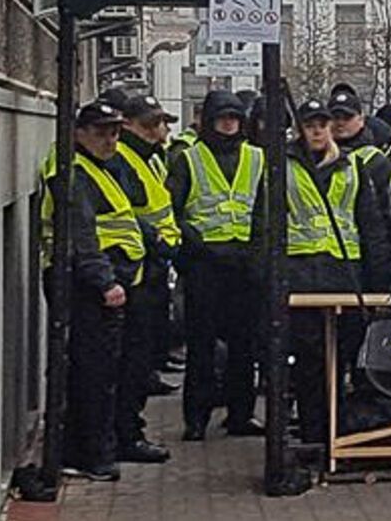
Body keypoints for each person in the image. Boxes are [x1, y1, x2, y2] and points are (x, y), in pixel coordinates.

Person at [39, 100, 144, 480]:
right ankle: (90, 455)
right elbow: (80, 234)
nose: (110, 140)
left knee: (96, 371)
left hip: (93, 281)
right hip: (84, 284)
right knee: (92, 373)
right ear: (78, 133)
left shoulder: (92, 167)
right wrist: (105, 281)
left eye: (115, 132)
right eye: (101, 133)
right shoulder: (72, 171)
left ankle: (91, 450)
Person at [284, 99, 391, 446]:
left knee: (348, 356)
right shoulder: (282, 167)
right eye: (310, 124)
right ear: (299, 128)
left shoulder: (352, 168)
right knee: (310, 361)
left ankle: (342, 431)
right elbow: (266, 227)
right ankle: (316, 434)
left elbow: (371, 227)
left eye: (322, 123)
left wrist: (379, 286)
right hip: (301, 276)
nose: (317, 130)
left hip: (346, 276)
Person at [165, 89, 265, 441]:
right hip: (205, 264)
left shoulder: (258, 158)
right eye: (222, 118)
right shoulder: (188, 159)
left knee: (244, 345)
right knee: (202, 346)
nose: (228, 124)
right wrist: (196, 249)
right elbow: (172, 212)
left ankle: (241, 415)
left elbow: (268, 211)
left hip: (245, 265)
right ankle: (196, 418)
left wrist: (257, 253)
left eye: (234, 118)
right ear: (209, 121)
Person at [109, 92, 179, 464]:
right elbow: (130, 214)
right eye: (151, 124)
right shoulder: (123, 158)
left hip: (148, 272)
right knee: (129, 362)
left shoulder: (148, 158)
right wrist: (158, 242)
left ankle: (128, 430)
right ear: (128, 125)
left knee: (139, 360)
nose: (160, 131)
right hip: (132, 273)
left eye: (162, 123)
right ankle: (125, 434)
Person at [331, 87, 391, 219]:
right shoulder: (318, 157)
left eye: (347, 117)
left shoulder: (376, 161)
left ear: (361, 120)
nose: (340, 123)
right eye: (335, 117)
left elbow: (386, 209)